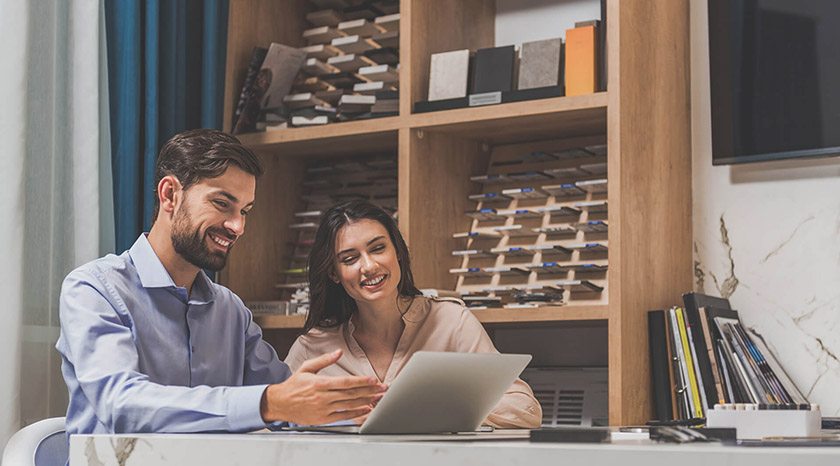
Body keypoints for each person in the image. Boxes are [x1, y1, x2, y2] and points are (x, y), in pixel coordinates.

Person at [56, 129, 387, 435]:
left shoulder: (231, 311)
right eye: (222, 204)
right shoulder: (93, 290)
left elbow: (291, 404)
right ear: (169, 194)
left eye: (245, 210)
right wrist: (268, 404)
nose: (237, 226)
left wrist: (365, 411)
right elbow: (122, 404)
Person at [285, 200, 543, 429]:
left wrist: (433, 410)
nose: (369, 266)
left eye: (377, 249)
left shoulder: (452, 322)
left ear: (397, 251)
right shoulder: (313, 346)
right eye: (350, 258)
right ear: (334, 274)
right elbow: (277, 415)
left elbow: (525, 409)